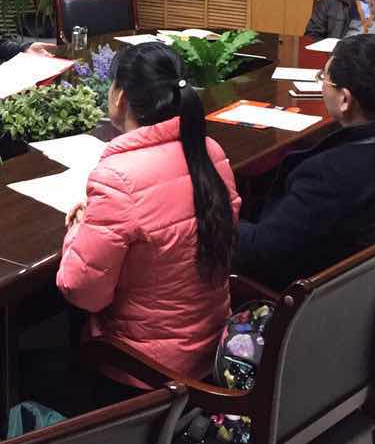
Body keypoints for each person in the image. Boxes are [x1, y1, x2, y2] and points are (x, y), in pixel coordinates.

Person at [57, 43, 240, 400]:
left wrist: (78, 228)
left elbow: (82, 293)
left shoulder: (117, 178)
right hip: (211, 346)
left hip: (144, 370)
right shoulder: (209, 152)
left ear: (119, 96)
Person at [234, 34, 375, 290]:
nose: (323, 86)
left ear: (345, 100)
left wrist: (217, 220)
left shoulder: (327, 175)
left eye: (324, 79)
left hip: (313, 293)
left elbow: (260, 252)